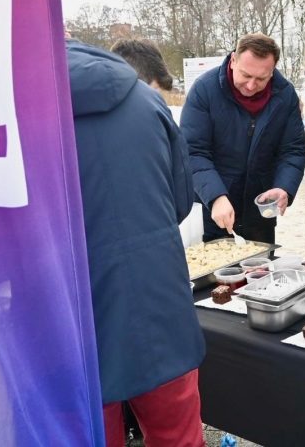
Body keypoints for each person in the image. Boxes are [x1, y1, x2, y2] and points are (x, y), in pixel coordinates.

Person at [65, 38, 206, 447]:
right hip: (157, 296)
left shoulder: (14, 112)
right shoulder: (147, 100)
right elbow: (181, 200)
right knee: (178, 435)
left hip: (71, 313)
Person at [181, 33, 305, 244]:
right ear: (233, 60)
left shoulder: (285, 95)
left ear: (273, 69)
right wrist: (215, 196)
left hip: (259, 214)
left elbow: (293, 150)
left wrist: (284, 187)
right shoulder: (204, 90)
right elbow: (192, 151)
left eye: (261, 79)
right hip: (211, 210)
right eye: (245, 75)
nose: (250, 85)